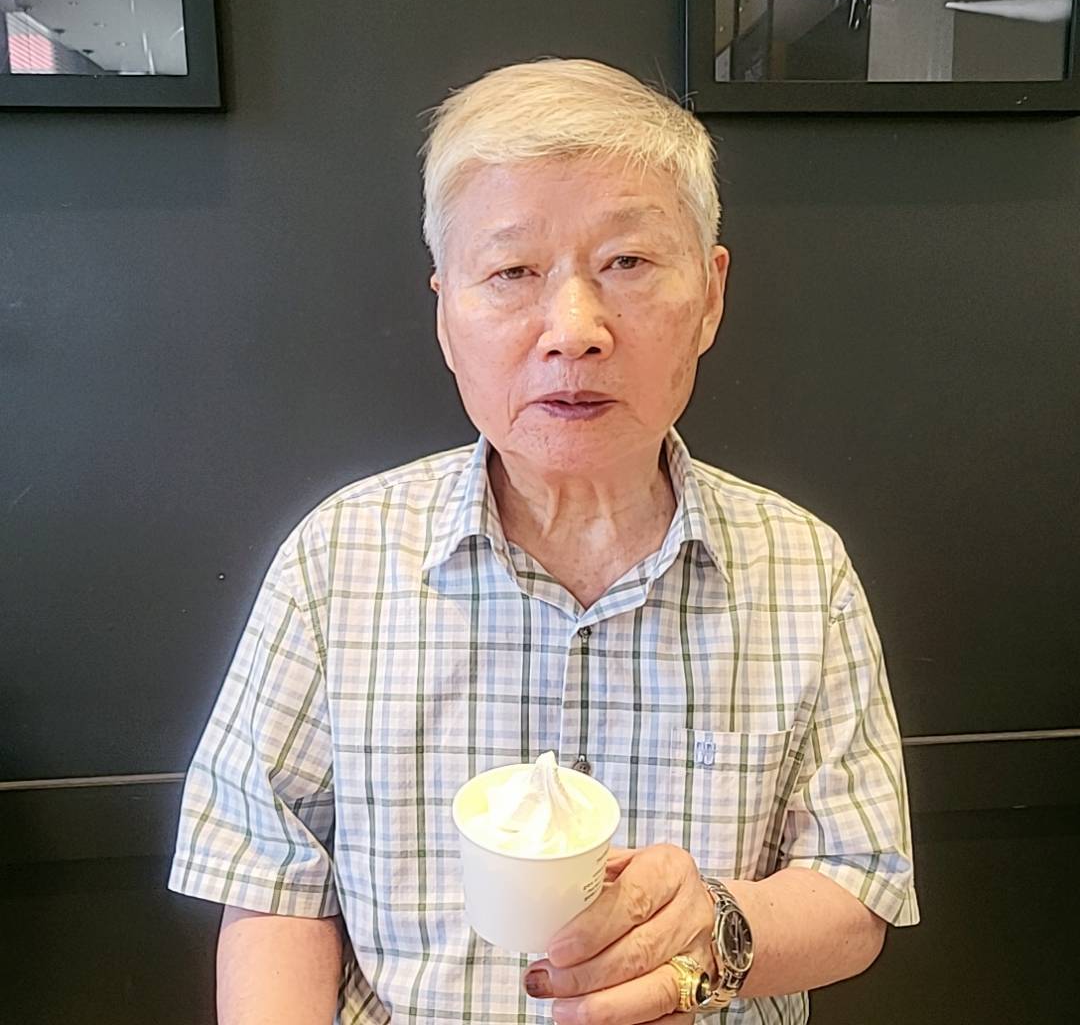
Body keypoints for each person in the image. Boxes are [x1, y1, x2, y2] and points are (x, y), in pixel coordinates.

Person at [169, 58, 919, 1025]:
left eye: (628, 264)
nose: (575, 330)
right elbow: (271, 882)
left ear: (711, 295)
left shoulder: (802, 567)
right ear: (447, 313)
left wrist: (717, 931)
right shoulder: (337, 559)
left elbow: (857, 886)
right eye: (513, 273)